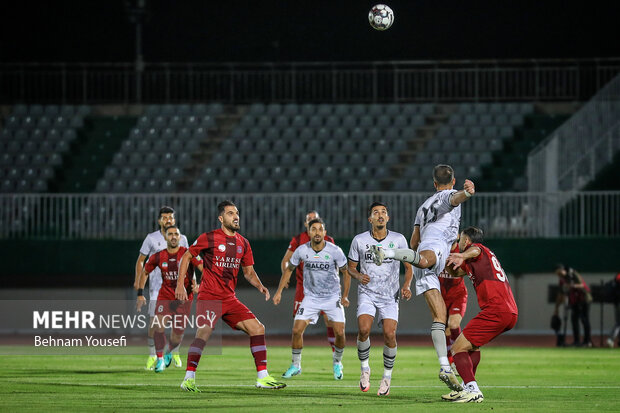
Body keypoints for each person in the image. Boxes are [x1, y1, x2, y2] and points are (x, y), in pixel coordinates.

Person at [370, 164, 474, 391]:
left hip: (421, 262)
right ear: (452, 182)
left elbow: (414, 239)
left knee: (440, 317)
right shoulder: (447, 195)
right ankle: (386, 252)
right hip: (431, 251)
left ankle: (445, 366)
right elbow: (454, 199)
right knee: (425, 259)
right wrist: (467, 193)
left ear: (434, 184)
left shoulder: (422, 207)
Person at [176, 200, 286, 391]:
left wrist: (260, 286)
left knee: (258, 328)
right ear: (221, 218)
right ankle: (188, 378)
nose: (236, 217)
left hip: (229, 298)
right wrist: (180, 285)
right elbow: (187, 256)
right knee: (204, 333)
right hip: (209, 297)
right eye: (230, 213)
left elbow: (249, 272)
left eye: (237, 213)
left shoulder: (243, 243)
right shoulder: (209, 237)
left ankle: (262, 377)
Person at [442, 226, 518, 403]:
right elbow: (457, 273)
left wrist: (461, 255)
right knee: (471, 347)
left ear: (466, 241)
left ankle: (473, 389)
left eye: (461, 239)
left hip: (496, 310)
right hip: (507, 312)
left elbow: (475, 250)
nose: (459, 242)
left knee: (457, 348)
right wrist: (446, 262)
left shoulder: (478, 250)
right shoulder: (475, 262)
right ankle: (465, 387)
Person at [273, 218, 354, 380]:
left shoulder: (334, 250)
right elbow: (289, 269)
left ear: (325, 232)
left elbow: (346, 272)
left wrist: (345, 295)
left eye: (320, 229)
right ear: (308, 232)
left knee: (340, 332)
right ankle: (296, 365)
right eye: (314, 229)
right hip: (310, 298)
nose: (317, 232)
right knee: (296, 330)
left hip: (332, 298)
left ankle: (337, 362)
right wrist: (279, 291)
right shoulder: (302, 250)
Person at [347, 202, 413, 396]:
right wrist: (359, 276)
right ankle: (365, 369)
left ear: (388, 218)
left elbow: (409, 266)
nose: (380, 215)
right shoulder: (359, 240)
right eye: (376, 213)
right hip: (367, 293)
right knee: (363, 329)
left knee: (390, 334)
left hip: (389, 295)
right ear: (370, 219)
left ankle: (386, 377)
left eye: (384, 212)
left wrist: (407, 285)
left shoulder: (398, 239)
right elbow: (350, 267)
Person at [136, 225, 203, 373]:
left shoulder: (188, 253)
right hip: (165, 296)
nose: (173, 236)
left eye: (176, 234)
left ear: (180, 237)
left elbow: (204, 268)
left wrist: (201, 285)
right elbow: (145, 271)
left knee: (177, 336)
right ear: (165, 237)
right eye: (170, 234)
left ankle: (169, 352)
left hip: (184, 299)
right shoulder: (159, 256)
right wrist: (140, 293)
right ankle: (159, 359)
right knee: (159, 326)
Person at [134, 206, 189, 370]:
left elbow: (188, 261)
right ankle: (153, 355)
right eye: (165, 218)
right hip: (157, 288)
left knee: (178, 322)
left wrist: (192, 281)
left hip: (178, 288)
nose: (168, 220)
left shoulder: (181, 238)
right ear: (159, 220)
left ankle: (175, 352)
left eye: (171, 217)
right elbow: (140, 261)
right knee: (155, 322)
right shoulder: (151, 238)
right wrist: (139, 282)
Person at [280, 211, 337, 353]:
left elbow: (335, 262)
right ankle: (296, 360)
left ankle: (335, 354)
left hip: (325, 289)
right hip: (304, 287)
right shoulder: (298, 239)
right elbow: (286, 260)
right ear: (306, 224)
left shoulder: (328, 240)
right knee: (298, 323)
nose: (313, 221)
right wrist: (285, 276)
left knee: (330, 320)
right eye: (309, 219)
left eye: (315, 219)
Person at [438, 242, 468, 373]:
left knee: (454, 324)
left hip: (457, 294)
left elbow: (468, 268)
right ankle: (450, 363)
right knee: (446, 331)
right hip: (440, 296)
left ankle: (459, 359)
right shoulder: (437, 248)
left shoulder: (461, 251)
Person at [554, 264, 593, 347]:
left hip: (584, 299)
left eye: (559, 272)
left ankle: (587, 341)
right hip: (574, 301)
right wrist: (557, 308)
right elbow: (561, 293)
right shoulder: (562, 280)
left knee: (584, 320)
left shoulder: (572, 274)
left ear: (563, 270)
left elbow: (582, 285)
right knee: (574, 320)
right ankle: (577, 341)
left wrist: (572, 286)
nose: (559, 275)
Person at [606, 272, 620, 348]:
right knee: (619, 323)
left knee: (618, 322)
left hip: (617, 303)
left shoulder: (617, 277)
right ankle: (611, 339)